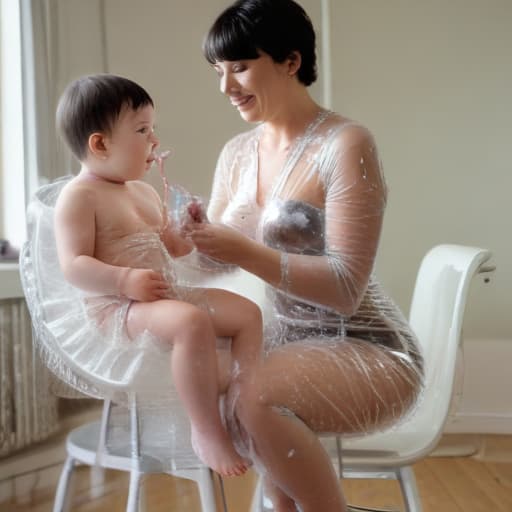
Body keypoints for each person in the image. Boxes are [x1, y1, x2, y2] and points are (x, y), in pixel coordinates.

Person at [184, 0, 425, 510]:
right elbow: (216, 261)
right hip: (287, 345)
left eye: (241, 67)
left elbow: (345, 289)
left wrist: (244, 249)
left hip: (371, 347)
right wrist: (188, 236)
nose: (226, 87)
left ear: (291, 62)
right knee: (221, 389)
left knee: (253, 396)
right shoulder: (236, 154)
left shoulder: (345, 143)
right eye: (218, 71)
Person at [53, 74, 263, 477]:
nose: (154, 140)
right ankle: (206, 431)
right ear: (100, 144)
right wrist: (123, 281)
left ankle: (245, 402)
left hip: (161, 295)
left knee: (247, 313)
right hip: (118, 307)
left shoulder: (144, 192)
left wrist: (188, 229)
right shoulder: (80, 196)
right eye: (143, 130)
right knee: (189, 321)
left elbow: (175, 249)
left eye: (154, 129)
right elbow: (74, 265)